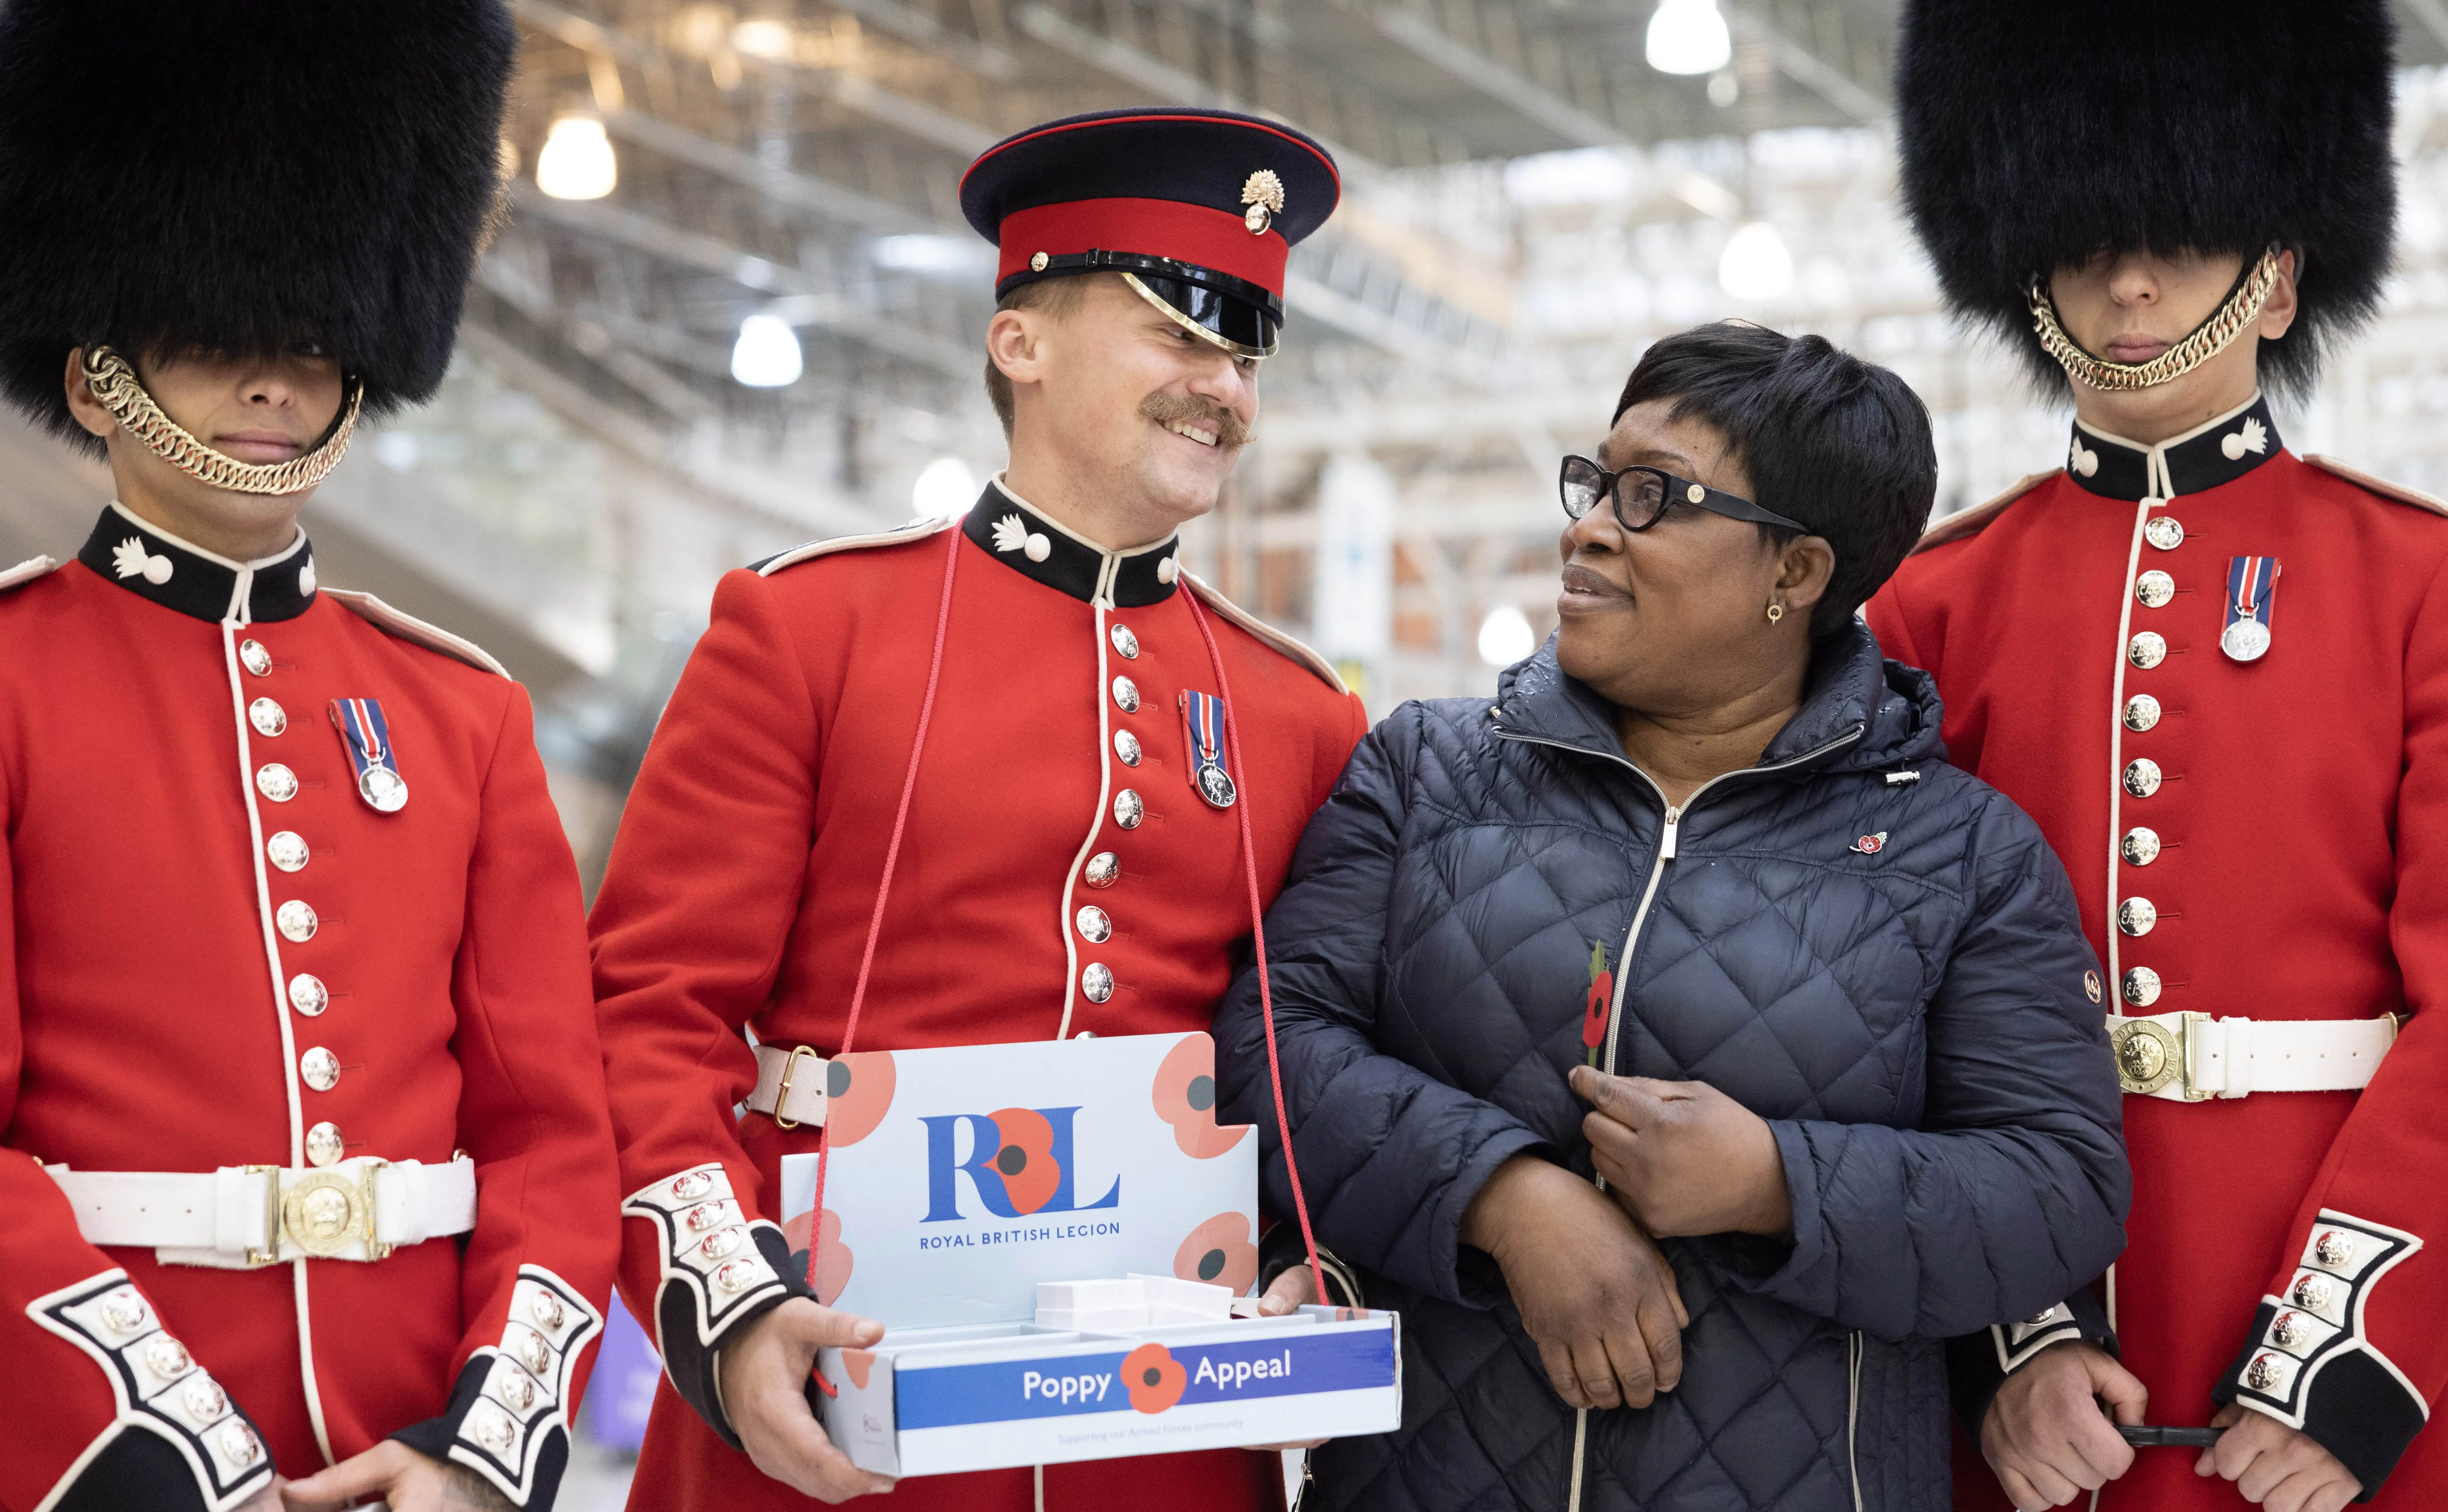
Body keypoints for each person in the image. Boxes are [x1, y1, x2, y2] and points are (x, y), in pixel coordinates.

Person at [588, 108, 1371, 1512]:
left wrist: (1305, 1263)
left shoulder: (1302, 712)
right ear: (1020, 340)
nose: (1224, 390)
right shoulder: (807, 628)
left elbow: (1313, 1060)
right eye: (1179, 336)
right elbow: (647, 1013)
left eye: (1245, 352)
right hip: (831, 1393)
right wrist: (730, 1307)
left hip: (1164, 1439)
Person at [1211, 321, 2130, 1512]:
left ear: (1795, 575)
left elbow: (2057, 1189)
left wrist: (1777, 1183)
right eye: (1596, 483)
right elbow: (1272, 1045)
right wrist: (1504, 1200)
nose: (1589, 526)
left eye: (1653, 498)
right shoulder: (1424, 771)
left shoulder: (1961, 854)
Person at [0, 4, 623, 1511]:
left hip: (419, 1444)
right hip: (106, 1457)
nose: (275, 386)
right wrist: (168, 1453)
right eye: (217, 345)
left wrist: (481, 1450)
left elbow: (550, 1134)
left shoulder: (459, 713)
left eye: (308, 341)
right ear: (98, 383)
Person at [1872, 2, 2447, 1508]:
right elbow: (1879, 1004)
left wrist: (2351, 1354)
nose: (2126, 280)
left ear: (2276, 275)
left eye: (2180, 239)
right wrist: (2011, 1335)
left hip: (2342, 1334)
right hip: (2043, 1365)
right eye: (2078, 243)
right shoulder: (1931, 605)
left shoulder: (2415, 583)